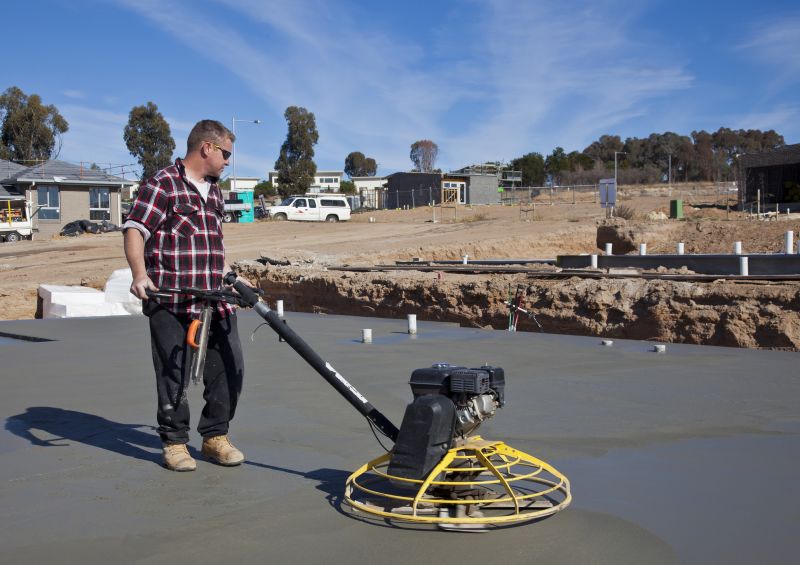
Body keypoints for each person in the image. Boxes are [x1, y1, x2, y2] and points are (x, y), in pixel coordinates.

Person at [123, 119, 246, 472]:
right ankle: (175, 443)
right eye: (226, 154)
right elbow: (135, 230)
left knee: (230, 367)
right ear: (207, 148)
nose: (228, 161)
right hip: (171, 299)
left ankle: (215, 438)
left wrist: (230, 276)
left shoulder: (214, 190)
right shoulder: (163, 183)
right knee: (172, 373)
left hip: (214, 298)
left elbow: (213, 242)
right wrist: (139, 274)